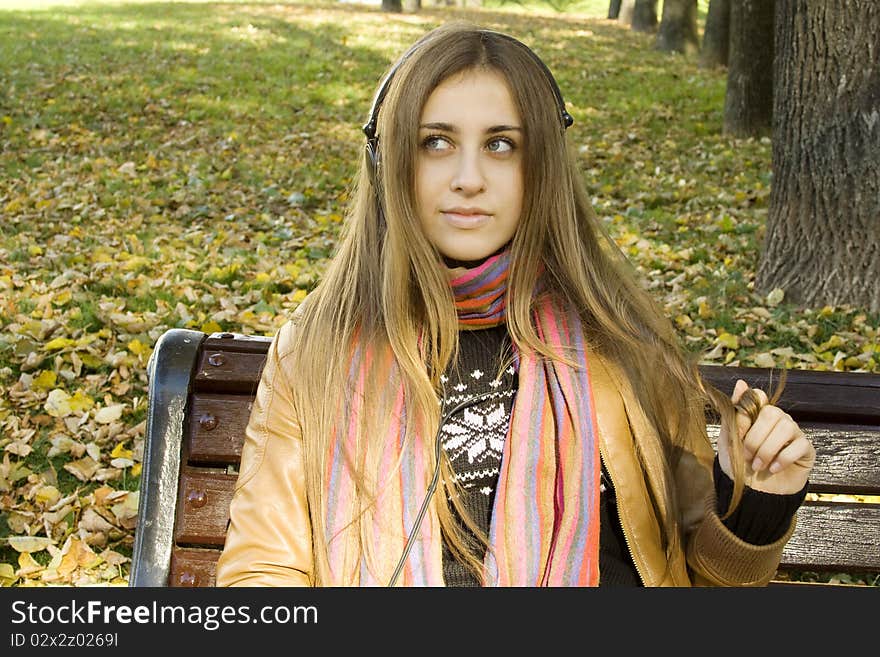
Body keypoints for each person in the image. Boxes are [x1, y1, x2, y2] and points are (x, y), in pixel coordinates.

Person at [215, 21, 815, 587]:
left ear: (542, 166)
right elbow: (263, 570)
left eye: (501, 144)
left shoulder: (621, 339)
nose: (469, 178)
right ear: (388, 161)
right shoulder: (319, 347)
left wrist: (756, 499)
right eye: (435, 143)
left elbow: (708, 577)